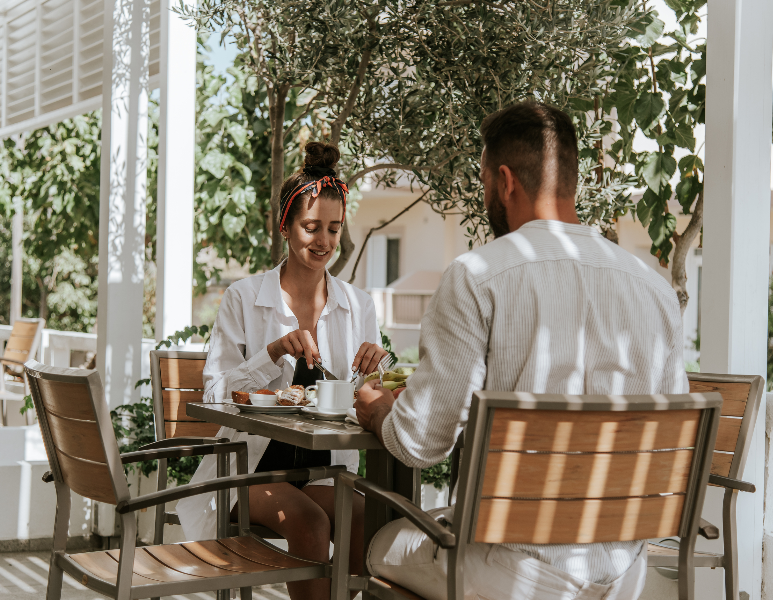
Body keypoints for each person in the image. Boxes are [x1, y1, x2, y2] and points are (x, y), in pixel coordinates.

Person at [355, 102, 688, 600]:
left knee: (380, 540)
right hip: (623, 573)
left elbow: (422, 441)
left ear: (505, 181)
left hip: (514, 571)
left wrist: (380, 413)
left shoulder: (477, 277)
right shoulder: (654, 288)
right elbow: (670, 451)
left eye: (484, 180)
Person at [177, 141, 387, 600]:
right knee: (310, 523)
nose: (324, 241)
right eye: (312, 227)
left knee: (368, 523)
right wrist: (269, 354)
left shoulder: (358, 305)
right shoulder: (244, 297)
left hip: (324, 469)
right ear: (286, 228)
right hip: (248, 469)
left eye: (333, 228)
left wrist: (375, 372)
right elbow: (215, 397)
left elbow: (362, 398)